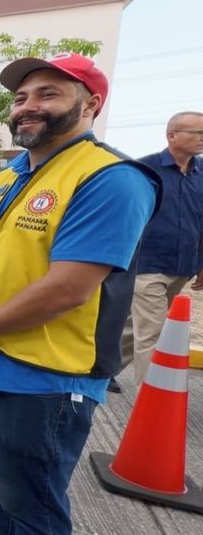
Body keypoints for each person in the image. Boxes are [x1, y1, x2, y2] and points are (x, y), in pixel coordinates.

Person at [0, 53, 158, 535]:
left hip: (48, 380)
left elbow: (68, 288)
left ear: (91, 104)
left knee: (33, 505)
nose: (28, 106)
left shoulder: (110, 178)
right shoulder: (8, 177)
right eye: (20, 98)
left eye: (48, 94)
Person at [116, 111, 203, 391]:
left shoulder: (201, 174)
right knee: (152, 332)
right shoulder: (145, 169)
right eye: (197, 133)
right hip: (147, 265)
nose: (202, 139)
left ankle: (102, 370)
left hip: (183, 266)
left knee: (134, 326)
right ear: (172, 136)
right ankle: (151, 399)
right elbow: (125, 216)